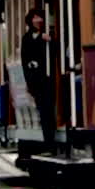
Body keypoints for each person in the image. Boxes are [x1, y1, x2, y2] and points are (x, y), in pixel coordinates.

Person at [20, 8, 55, 144]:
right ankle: (45, 139)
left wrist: (50, 40)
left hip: (47, 78)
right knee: (41, 108)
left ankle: (49, 139)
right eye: (36, 18)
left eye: (40, 17)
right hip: (35, 79)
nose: (39, 20)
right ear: (30, 20)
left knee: (48, 109)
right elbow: (24, 60)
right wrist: (28, 82)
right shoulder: (26, 38)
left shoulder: (47, 35)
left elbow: (54, 52)